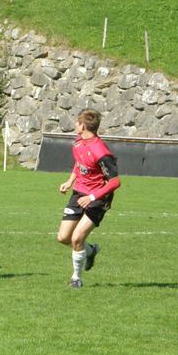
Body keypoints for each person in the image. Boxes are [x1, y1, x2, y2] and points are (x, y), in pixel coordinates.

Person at [57, 109, 121, 288]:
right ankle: (91, 250)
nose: (75, 125)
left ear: (83, 126)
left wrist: (92, 196)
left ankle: (76, 279)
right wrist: (70, 181)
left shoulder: (101, 151)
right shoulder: (79, 141)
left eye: (77, 122)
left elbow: (115, 181)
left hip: (98, 198)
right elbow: (80, 162)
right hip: (79, 193)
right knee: (63, 237)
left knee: (77, 238)